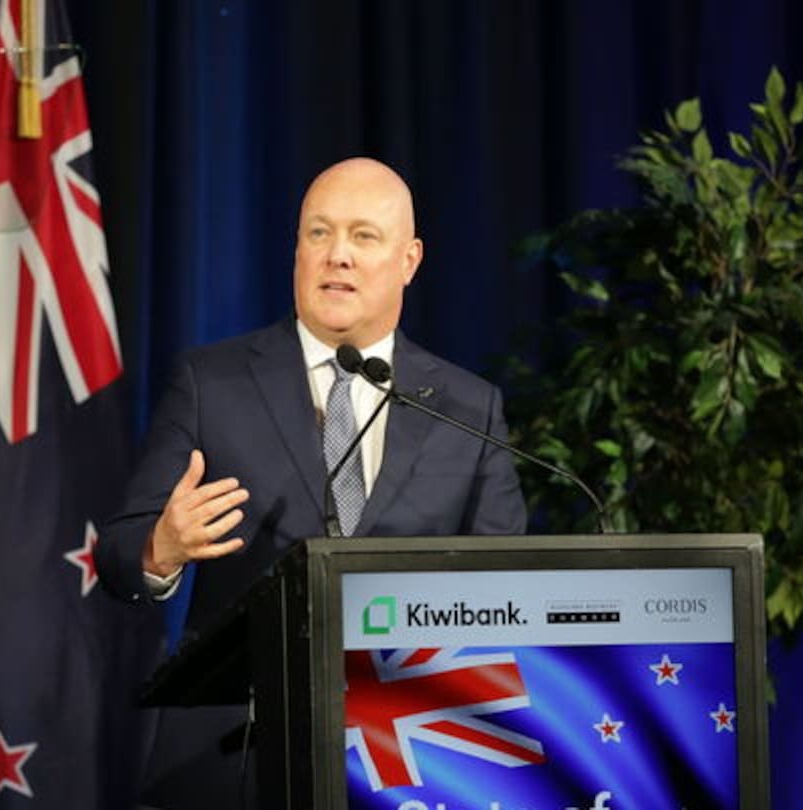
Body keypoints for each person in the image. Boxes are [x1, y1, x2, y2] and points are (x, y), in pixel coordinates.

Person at [95, 157, 526, 807]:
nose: (338, 257)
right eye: (319, 234)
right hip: (237, 752)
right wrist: (162, 546)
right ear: (296, 250)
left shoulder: (469, 408)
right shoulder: (212, 384)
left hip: (415, 756)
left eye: (363, 236)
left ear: (409, 260)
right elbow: (120, 554)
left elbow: (505, 594)